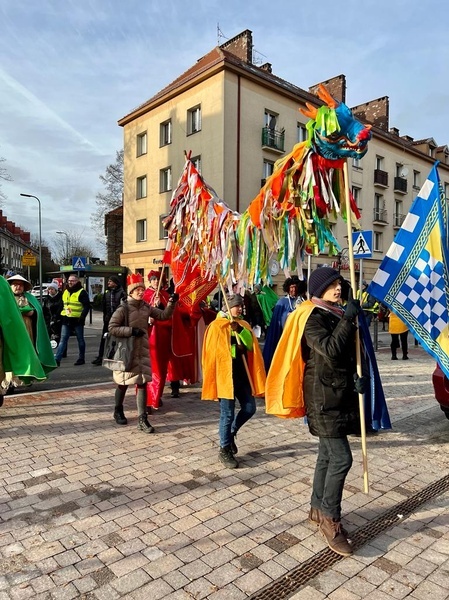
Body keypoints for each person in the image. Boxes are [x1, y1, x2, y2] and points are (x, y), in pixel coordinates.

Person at [265, 267, 365, 557]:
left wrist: (356, 379)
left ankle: (317, 508)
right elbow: (330, 350)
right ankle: (330, 520)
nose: (338, 288)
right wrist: (348, 318)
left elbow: (342, 358)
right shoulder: (311, 316)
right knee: (341, 458)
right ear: (318, 289)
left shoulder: (332, 312)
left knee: (326, 455)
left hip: (334, 395)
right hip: (322, 399)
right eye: (332, 285)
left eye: (339, 283)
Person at [201, 294, 266, 469]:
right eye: (237, 306)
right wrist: (233, 348)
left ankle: (231, 433)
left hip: (242, 375)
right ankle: (224, 449)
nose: (240, 308)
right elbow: (214, 354)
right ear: (228, 307)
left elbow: (252, 346)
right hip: (225, 377)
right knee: (227, 414)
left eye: (241, 306)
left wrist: (240, 332)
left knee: (250, 408)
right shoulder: (216, 327)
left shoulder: (243, 324)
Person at [108, 273, 178, 432]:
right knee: (123, 383)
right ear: (131, 292)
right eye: (137, 289)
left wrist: (172, 303)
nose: (141, 292)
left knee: (141, 382)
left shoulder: (146, 307)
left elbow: (163, 315)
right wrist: (131, 331)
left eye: (142, 289)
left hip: (142, 351)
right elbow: (112, 328)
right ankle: (118, 410)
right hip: (127, 351)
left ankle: (142, 419)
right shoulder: (123, 308)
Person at [143, 271, 191, 407]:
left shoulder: (164, 294)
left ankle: (157, 395)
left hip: (167, 336)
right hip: (153, 336)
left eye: (157, 279)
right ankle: (150, 399)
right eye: (153, 279)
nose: (155, 282)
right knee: (154, 368)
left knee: (164, 368)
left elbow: (170, 314)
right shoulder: (146, 295)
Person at [1, 276, 53, 400]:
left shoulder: (29, 298)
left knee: (25, 355)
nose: (18, 287)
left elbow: (39, 312)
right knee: (10, 356)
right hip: (11, 333)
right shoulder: (7, 298)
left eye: (20, 285)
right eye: (15, 284)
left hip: (27, 331)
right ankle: (8, 383)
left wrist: (33, 313)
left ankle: (25, 377)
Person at [262, 276, 306, 370]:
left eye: (295, 287)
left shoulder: (303, 302)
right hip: (284, 335)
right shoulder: (282, 302)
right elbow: (277, 322)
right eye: (291, 287)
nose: (293, 289)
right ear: (287, 288)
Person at [55, 274, 91, 366]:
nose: (70, 282)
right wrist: (57, 316)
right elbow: (62, 304)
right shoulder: (66, 291)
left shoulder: (82, 292)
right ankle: (57, 359)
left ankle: (81, 358)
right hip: (66, 319)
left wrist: (82, 317)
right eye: (69, 281)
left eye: (73, 281)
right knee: (63, 339)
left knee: (80, 340)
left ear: (77, 281)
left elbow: (87, 306)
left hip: (77, 319)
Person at [92, 276, 126, 365]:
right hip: (108, 320)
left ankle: (118, 356)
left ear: (115, 283)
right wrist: (105, 318)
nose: (108, 283)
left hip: (118, 320)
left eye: (110, 281)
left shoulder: (122, 293)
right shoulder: (107, 293)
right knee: (104, 338)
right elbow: (104, 307)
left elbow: (124, 307)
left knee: (117, 339)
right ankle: (100, 356)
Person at [42, 282, 64, 347]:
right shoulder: (46, 299)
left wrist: (56, 318)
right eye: (49, 289)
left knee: (59, 337)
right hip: (49, 320)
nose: (50, 291)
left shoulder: (61, 298)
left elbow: (61, 308)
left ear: (56, 290)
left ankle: (62, 352)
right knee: (49, 337)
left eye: (52, 289)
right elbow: (44, 310)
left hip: (58, 320)